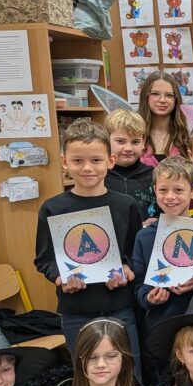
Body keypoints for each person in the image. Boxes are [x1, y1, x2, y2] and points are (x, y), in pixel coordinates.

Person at [34, 119, 142, 371]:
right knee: (87, 373)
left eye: (96, 160)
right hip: (76, 309)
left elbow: (135, 253)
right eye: (77, 160)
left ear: (110, 161)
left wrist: (126, 269)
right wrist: (60, 277)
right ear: (65, 162)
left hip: (119, 306)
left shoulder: (126, 205)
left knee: (129, 371)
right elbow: (44, 259)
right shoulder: (53, 208)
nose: (87, 168)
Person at [132, 157, 193, 384]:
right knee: (166, 384)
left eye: (178, 190)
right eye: (163, 190)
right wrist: (150, 297)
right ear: (155, 190)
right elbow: (139, 286)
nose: (170, 197)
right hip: (162, 324)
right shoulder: (144, 236)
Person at [105, 108, 156, 219]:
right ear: (107, 140)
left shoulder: (154, 175)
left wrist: (156, 221)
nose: (128, 148)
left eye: (135, 142)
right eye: (120, 141)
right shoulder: (99, 176)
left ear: (143, 142)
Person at [138, 71, 191, 166]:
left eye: (169, 95)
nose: (162, 100)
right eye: (155, 94)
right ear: (146, 96)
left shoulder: (187, 137)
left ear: (176, 99)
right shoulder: (133, 135)